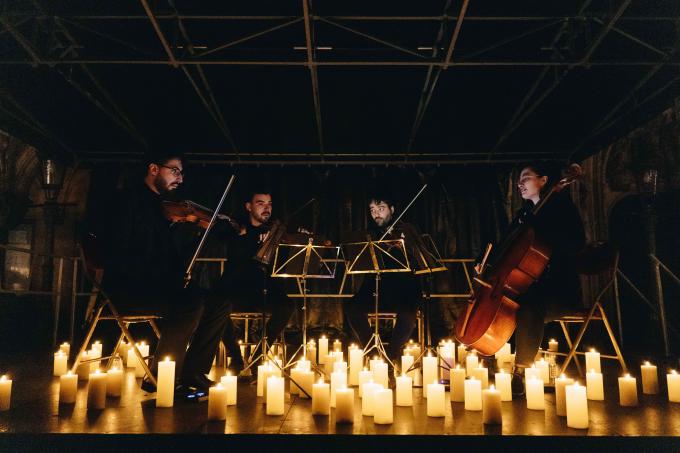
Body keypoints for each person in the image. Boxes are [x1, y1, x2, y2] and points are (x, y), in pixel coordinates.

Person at [101, 151, 230, 394]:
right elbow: (121, 252)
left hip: (159, 284)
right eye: (175, 171)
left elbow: (173, 257)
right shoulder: (127, 201)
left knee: (220, 302)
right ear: (153, 169)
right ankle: (161, 378)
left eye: (181, 173)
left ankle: (193, 372)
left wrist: (193, 232)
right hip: (129, 287)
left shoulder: (165, 209)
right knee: (190, 302)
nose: (180, 179)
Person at [505, 163, 586, 396]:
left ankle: (520, 371)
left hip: (560, 292)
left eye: (526, 178)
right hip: (530, 288)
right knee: (516, 304)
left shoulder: (562, 209)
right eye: (519, 179)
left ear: (544, 180)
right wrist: (484, 258)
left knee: (530, 307)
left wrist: (543, 229)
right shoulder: (524, 215)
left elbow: (577, 243)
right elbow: (505, 244)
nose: (520, 183)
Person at [216, 189, 296, 375]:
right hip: (237, 287)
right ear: (248, 206)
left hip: (265, 288)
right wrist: (241, 236)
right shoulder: (236, 229)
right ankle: (235, 357)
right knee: (216, 305)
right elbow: (220, 238)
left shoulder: (275, 231)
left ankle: (260, 353)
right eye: (260, 203)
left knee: (286, 306)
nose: (266, 208)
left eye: (269, 204)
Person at [344, 193, 422, 372]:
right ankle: (372, 351)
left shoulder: (406, 230)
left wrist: (405, 247)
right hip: (375, 289)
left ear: (392, 210)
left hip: (404, 290)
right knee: (352, 307)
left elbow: (419, 260)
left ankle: (390, 356)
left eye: (381, 209)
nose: (376, 214)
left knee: (408, 313)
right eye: (372, 210)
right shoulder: (369, 235)